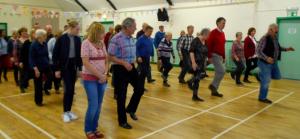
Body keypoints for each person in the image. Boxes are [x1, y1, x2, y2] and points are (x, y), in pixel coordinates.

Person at [108, 17, 144, 129]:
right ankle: (122, 121)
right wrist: (123, 63)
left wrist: (136, 58)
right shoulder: (116, 38)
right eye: (134, 26)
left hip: (131, 67)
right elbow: (110, 56)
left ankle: (130, 109)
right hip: (120, 69)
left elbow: (132, 52)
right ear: (127, 27)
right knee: (121, 96)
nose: (136, 28)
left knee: (140, 89)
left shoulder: (131, 38)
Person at [81, 22, 108, 139]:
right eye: (102, 32)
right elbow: (86, 62)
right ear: (96, 32)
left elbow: (106, 59)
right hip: (90, 78)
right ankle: (88, 129)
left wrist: (105, 73)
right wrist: (99, 75)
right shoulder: (85, 43)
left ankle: (94, 128)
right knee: (93, 104)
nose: (104, 34)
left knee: (99, 105)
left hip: (102, 78)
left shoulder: (102, 43)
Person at [256, 23, 295, 104]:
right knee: (266, 81)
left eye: (277, 31)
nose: (277, 32)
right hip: (264, 63)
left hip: (274, 62)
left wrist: (287, 49)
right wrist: (266, 58)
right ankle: (262, 98)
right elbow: (258, 51)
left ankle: (260, 75)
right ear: (270, 30)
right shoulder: (264, 38)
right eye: (275, 31)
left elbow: (278, 48)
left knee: (277, 76)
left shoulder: (275, 38)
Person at [53, 20, 82, 122]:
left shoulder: (78, 39)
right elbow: (55, 55)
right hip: (64, 67)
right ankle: (65, 112)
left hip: (73, 66)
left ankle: (69, 111)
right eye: (77, 29)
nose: (78, 31)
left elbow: (79, 56)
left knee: (72, 89)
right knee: (68, 89)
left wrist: (80, 69)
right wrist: (56, 69)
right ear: (71, 28)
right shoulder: (61, 39)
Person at [29, 29, 52, 106]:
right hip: (37, 67)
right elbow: (31, 58)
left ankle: (45, 88)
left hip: (46, 65)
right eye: (44, 35)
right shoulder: (33, 45)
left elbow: (46, 55)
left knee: (50, 77)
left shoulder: (45, 43)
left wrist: (48, 62)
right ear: (39, 36)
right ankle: (38, 101)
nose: (46, 37)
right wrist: (35, 69)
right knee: (38, 84)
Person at [188, 28, 210, 101]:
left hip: (202, 62)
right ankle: (190, 81)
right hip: (196, 62)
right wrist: (193, 63)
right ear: (204, 34)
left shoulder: (205, 41)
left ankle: (195, 96)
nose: (208, 37)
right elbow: (191, 52)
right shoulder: (196, 40)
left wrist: (207, 59)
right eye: (208, 35)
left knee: (198, 79)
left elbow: (206, 52)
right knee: (199, 76)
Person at [207, 17, 226, 97]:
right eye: (223, 23)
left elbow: (223, 45)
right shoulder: (213, 32)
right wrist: (209, 56)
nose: (224, 24)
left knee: (219, 72)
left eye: (225, 23)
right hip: (214, 55)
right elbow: (208, 44)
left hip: (220, 56)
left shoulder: (222, 33)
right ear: (218, 23)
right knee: (222, 71)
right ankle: (213, 86)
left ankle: (214, 90)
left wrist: (224, 56)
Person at [136, 26, 154, 91]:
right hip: (141, 58)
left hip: (147, 58)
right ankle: (140, 87)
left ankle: (141, 87)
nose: (151, 33)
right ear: (145, 31)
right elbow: (136, 48)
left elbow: (150, 47)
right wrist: (138, 56)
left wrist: (152, 55)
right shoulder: (141, 39)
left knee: (144, 73)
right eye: (150, 31)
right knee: (143, 73)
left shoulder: (150, 39)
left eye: (152, 31)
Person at [19, 29, 36, 94]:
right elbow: (22, 53)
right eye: (34, 33)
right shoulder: (27, 42)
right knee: (24, 75)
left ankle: (25, 85)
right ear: (31, 34)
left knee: (32, 75)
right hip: (26, 61)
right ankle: (22, 87)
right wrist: (21, 61)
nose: (35, 35)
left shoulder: (37, 42)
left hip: (33, 62)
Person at [16, 27, 29, 93]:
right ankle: (21, 87)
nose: (25, 33)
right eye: (23, 32)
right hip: (20, 59)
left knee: (27, 73)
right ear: (20, 33)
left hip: (28, 59)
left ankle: (25, 84)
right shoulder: (18, 41)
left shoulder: (28, 40)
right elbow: (15, 51)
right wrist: (17, 61)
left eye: (26, 32)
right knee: (21, 73)